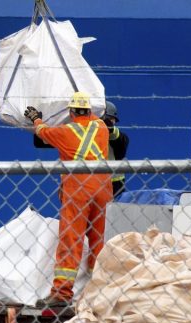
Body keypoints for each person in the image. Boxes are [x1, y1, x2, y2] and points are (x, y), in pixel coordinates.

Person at [24, 91, 113, 305]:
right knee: (98, 240)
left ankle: (62, 293)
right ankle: (100, 291)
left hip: (78, 188)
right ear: (90, 110)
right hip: (103, 188)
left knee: (71, 238)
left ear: (71, 112)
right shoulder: (101, 128)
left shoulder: (65, 132)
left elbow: (43, 131)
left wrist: (36, 117)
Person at [102, 101, 130, 198]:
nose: (111, 122)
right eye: (109, 119)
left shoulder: (119, 138)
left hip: (115, 185)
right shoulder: (89, 135)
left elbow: (121, 141)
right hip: (94, 183)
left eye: (112, 119)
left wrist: (109, 129)